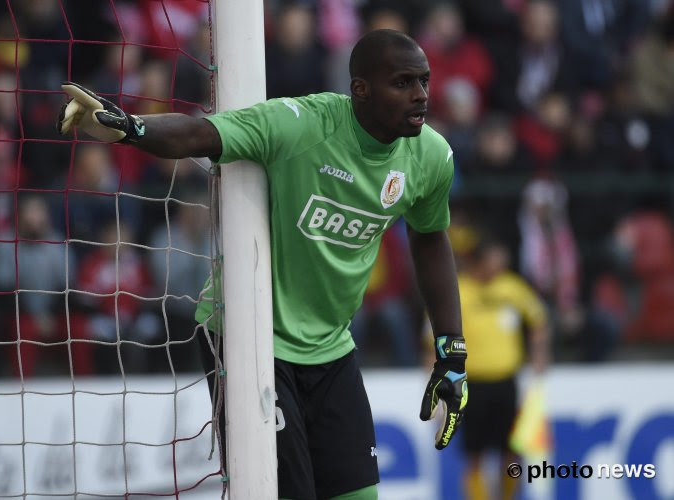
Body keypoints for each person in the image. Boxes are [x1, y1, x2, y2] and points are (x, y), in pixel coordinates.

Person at [57, 29, 467, 500]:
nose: (420, 96)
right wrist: (131, 128)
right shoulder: (302, 124)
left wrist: (450, 348)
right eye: (403, 83)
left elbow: (431, 235)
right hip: (246, 339)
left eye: (424, 82)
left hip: (330, 347)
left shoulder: (432, 156)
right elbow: (202, 133)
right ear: (361, 89)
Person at [426, 234, 549, 500]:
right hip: (472, 385)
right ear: (479, 262)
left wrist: (539, 357)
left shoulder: (512, 287)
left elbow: (538, 319)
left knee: (512, 451)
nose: (499, 267)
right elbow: (432, 341)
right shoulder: (458, 291)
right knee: (474, 454)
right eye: (494, 261)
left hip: (507, 382)